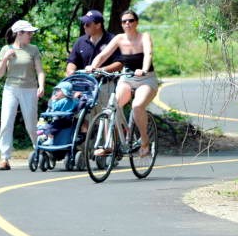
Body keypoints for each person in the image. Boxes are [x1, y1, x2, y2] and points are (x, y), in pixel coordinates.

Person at [87, 9, 158, 158]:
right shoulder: (119, 38)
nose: (127, 23)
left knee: (137, 106)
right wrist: (93, 67)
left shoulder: (144, 37)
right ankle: (110, 145)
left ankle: (145, 141)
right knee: (111, 107)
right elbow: (103, 55)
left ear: (136, 22)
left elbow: (148, 54)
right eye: (124, 21)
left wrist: (143, 69)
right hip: (127, 78)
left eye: (131, 20)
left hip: (146, 79)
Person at [0, 19, 46, 170]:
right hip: (10, 88)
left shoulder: (33, 49)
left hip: (29, 89)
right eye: (28, 33)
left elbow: (40, 71)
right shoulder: (6, 49)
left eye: (31, 32)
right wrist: (5, 59)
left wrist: (41, 86)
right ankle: (5, 158)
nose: (31, 35)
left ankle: (39, 149)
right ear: (19, 33)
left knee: (31, 123)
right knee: (6, 122)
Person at [66, 9, 122, 117]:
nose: (84, 26)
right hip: (85, 85)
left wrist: (101, 70)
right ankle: (85, 134)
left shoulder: (112, 40)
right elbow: (72, 61)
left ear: (98, 25)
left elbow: (119, 63)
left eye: (88, 24)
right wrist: (70, 71)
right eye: (84, 24)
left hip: (105, 85)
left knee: (108, 119)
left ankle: (113, 133)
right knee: (83, 118)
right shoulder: (80, 41)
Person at [37, 81, 85, 146]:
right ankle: (45, 135)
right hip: (67, 120)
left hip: (62, 119)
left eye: (58, 91)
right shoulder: (72, 100)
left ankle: (49, 139)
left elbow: (55, 107)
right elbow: (77, 103)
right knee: (49, 125)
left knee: (50, 126)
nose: (56, 93)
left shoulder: (64, 100)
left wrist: (53, 100)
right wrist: (77, 97)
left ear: (65, 92)